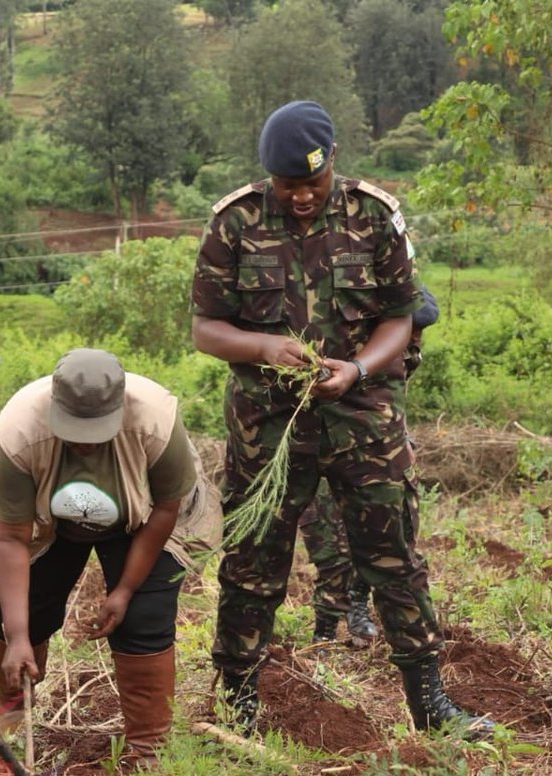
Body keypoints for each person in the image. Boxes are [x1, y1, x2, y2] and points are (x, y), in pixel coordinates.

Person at [190, 100, 493, 738]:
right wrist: (264, 346)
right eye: (288, 186)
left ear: (333, 165)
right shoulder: (234, 223)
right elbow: (206, 328)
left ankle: (429, 702)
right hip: (268, 424)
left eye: (313, 184)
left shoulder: (374, 217)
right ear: (269, 177)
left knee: (393, 557)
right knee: (252, 560)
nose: (301, 197)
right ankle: (238, 703)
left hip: (365, 417)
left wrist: (356, 370)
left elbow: (401, 314)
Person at [0, 348, 220, 767]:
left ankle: (148, 748)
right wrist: (17, 636)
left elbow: (165, 509)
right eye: (74, 431)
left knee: (145, 616)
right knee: (15, 611)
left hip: (142, 517)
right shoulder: (19, 430)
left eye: (96, 432)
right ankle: (12, 718)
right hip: (47, 519)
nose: (85, 444)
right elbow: (12, 539)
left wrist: (124, 590)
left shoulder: (155, 421)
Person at [302, 286, 440, 646]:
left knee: (388, 538)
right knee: (330, 546)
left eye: (417, 335)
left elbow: (390, 405)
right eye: (412, 334)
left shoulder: (404, 353)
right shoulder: (343, 348)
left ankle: (358, 606)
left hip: (377, 452)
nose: (414, 343)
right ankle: (326, 631)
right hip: (325, 449)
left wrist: (400, 444)